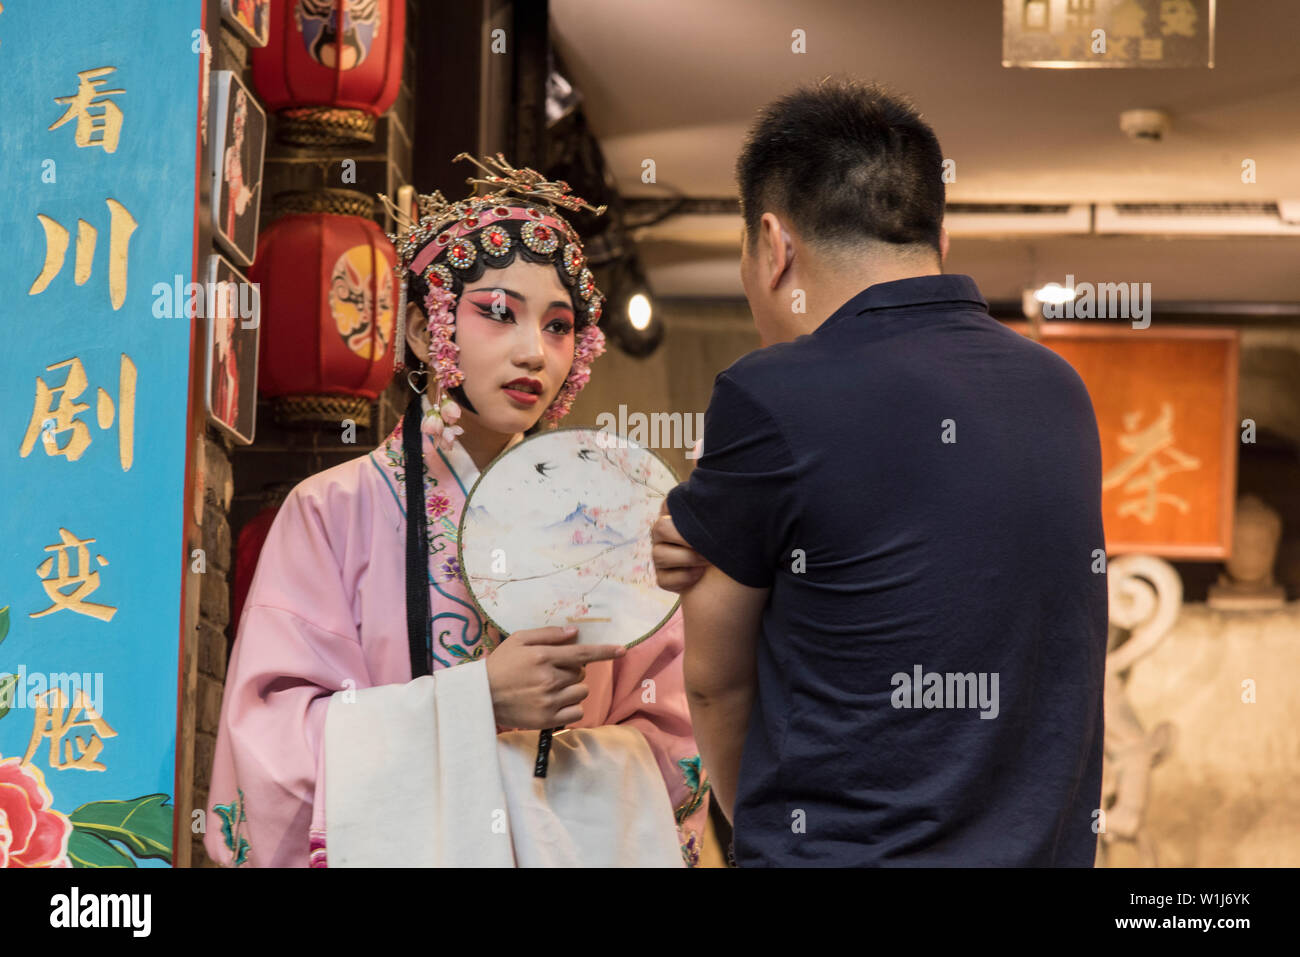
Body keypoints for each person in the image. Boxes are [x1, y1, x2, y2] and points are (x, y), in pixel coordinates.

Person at [206, 154, 710, 868]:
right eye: (498, 313)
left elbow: (673, 743)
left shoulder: (613, 524)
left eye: (560, 325)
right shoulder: (329, 512)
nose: (534, 350)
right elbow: (271, 757)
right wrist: (479, 702)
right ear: (422, 330)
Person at [652, 79, 1108, 866]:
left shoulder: (768, 393)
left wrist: (762, 836)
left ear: (773, 244)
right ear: (940, 239)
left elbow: (712, 686)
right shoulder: (1059, 389)